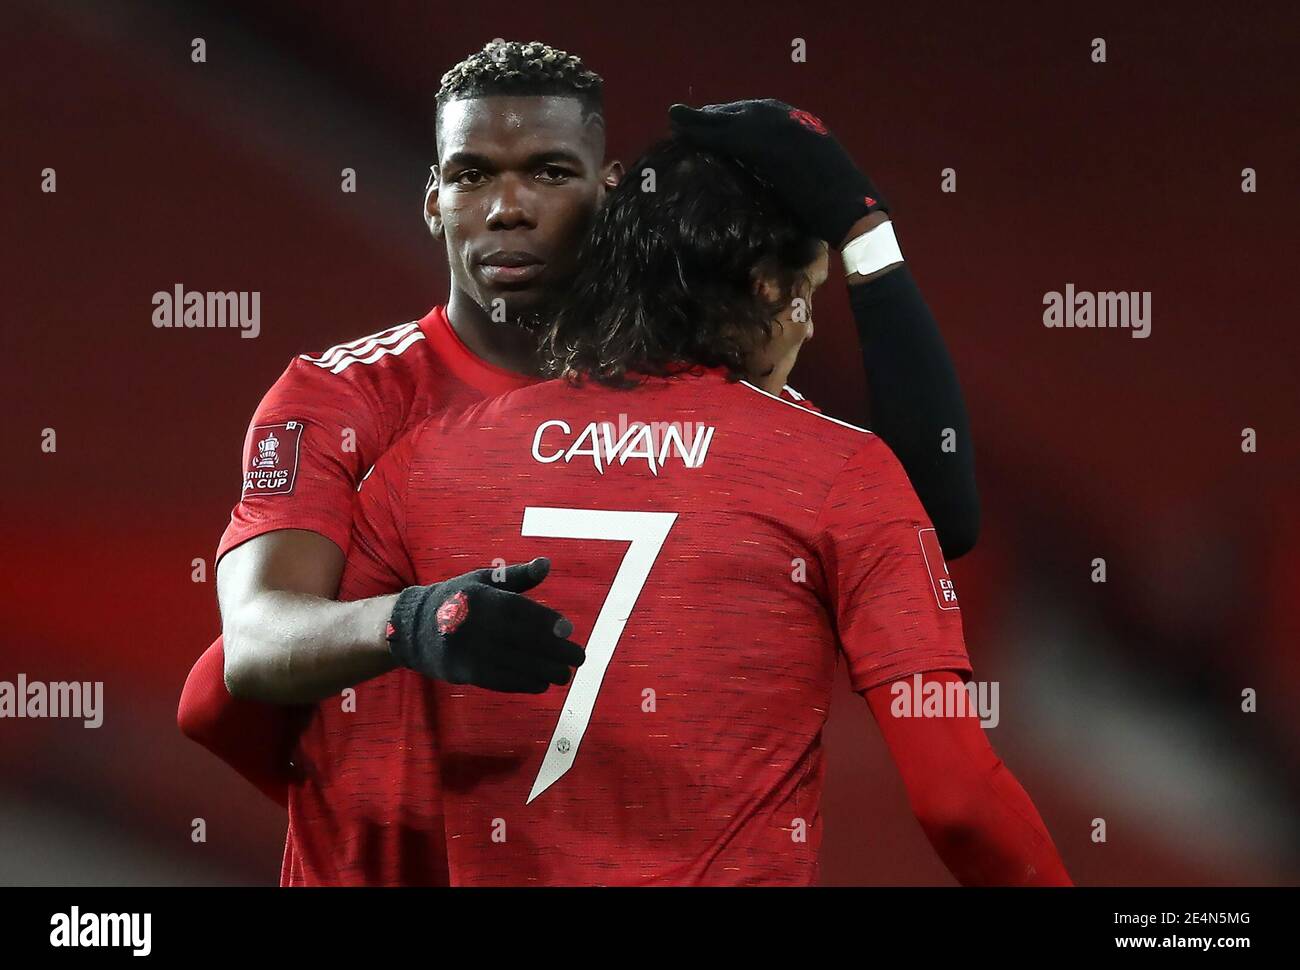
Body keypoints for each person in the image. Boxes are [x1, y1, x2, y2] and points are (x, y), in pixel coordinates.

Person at [178, 40, 980, 808]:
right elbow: (253, 645)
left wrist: (864, 232)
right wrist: (416, 625)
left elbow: (928, 519)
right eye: (471, 175)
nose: (507, 208)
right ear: (434, 199)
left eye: (550, 173)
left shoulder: (715, 413)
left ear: (609, 188)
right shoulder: (343, 398)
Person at [279, 136, 1068, 886]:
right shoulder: (839, 471)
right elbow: (958, 802)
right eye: (811, 295)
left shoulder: (425, 462)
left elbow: (222, 699)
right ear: (769, 287)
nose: (811, 324)